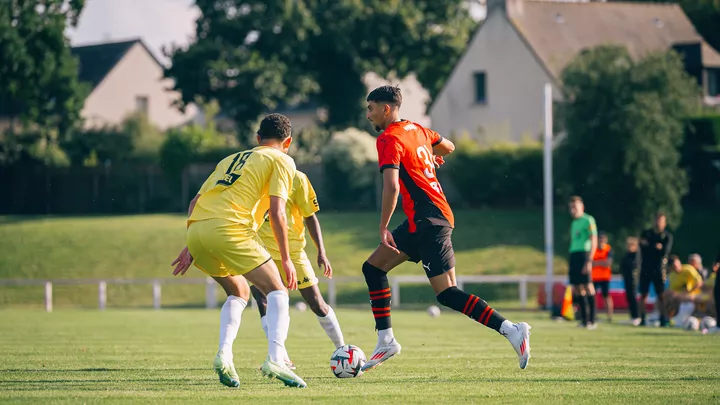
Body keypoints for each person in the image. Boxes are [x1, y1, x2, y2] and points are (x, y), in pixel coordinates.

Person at [358, 85, 531, 373]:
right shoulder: (417, 130)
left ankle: (512, 329)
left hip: (428, 220)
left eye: (371, 108)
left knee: (447, 293)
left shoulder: (389, 138)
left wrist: (383, 225)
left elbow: (391, 185)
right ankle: (385, 340)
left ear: (385, 109)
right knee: (373, 268)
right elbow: (448, 146)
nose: (368, 115)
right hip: (428, 219)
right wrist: (425, 155)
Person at [170, 114, 307, 388]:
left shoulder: (229, 160)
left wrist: (190, 243)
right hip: (230, 229)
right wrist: (288, 260)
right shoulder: (282, 159)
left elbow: (196, 201)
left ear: (257, 139)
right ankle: (277, 359)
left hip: (198, 230)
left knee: (239, 291)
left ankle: (225, 356)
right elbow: (278, 212)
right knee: (278, 290)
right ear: (288, 142)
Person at [250, 170, 345, 369]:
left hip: (293, 252)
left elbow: (310, 217)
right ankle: (280, 356)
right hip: (261, 251)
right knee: (263, 301)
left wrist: (321, 251)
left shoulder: (298, 179)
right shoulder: (256, 173)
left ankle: (343, 349)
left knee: (317, 303)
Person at [567, 196, 598, 329]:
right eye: (571, 207)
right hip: (574, 255)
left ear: (582, 207)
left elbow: (594, 240)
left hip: (584, 255)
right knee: (578, 287)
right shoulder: (574, 223)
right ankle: (584, 320)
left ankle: (592, 319)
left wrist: (589, 260)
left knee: (588, 286)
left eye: (575, 207)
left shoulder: (588, 220)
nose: (573, 210)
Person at [638, 212, 673, 327]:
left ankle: (663, 318)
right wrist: (655, 247)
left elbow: (664, 252)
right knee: (643, 294)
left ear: (664, 223)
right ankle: (642, 318)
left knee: (661, 295)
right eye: (656, 220)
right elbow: (642, 247)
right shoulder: (646, 233)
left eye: (660, 220)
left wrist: (650, 246)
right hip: (645, 268)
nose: (658, 223)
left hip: (659, 269)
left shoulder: (667, 236)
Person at [664, 255, 703, 324]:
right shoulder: (672, 275)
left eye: (677, 263)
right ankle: (666, 319)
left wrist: (688, 292)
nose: (676, 266)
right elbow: (673, 291)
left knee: (675, 298)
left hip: (693, 294)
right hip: (680, 296)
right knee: (667, 295)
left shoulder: (688, 269)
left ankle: (676, 319)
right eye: (674, 265)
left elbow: (699, 282)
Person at [591, 231, 614, 323]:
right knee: (593, 296)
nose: (601, 241)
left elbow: (608, 263)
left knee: (606, 296)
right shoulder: (593, 249)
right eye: (599, 239)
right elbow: (591, 263)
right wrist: (601, 262)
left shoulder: (608, 249)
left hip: (605, 277)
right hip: (594, 277)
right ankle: (594, 315)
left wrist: (596, 263)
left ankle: (609, 316)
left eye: (603, 239)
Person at [620, 237, 641, 326]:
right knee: (629, 297)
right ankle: (632, 316)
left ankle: (637, 316)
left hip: (633, 279)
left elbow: (634, 266)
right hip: (627, 278)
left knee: (633, 297)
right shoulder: (627, 255)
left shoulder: (636, 255)